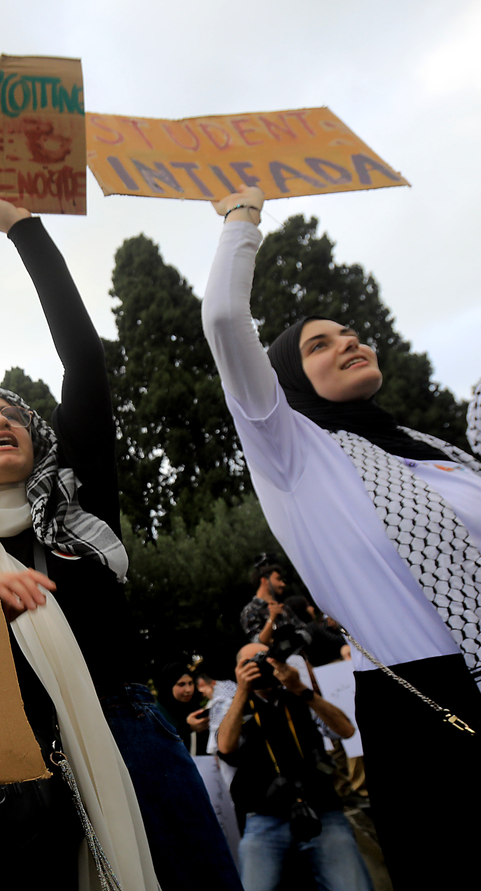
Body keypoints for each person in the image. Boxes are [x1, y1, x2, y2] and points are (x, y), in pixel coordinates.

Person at [0, 182, 242, 890]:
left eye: (11, 409)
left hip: (131, 739)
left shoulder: (78, 505)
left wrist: (24, 230)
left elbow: (85, 364)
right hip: (8, 768)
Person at [201, 185, 481, 888]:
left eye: (350, 333)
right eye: (318, 344)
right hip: (429, 707)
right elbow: (227, 318)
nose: (348, 341)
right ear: (291, 378)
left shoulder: (432, 449)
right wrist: (242, 220)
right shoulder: (295, 455)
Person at [217, 643, 372, 891]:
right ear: (238, 670)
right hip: (265, 815)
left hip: (321, 809)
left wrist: (301, 688)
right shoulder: (233, 707)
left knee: (352, 885)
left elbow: (346, 730)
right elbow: (225, 746)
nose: (259, 668)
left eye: (265, 661)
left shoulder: (299, 697)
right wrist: (241, 692)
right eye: (251, 663)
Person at [156, 663, 210, 755]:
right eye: (181, 684)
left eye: (190, 683)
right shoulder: (158, 713)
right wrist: (188, 728)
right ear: (169, 686)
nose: (188, 689)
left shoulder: (195, 708)